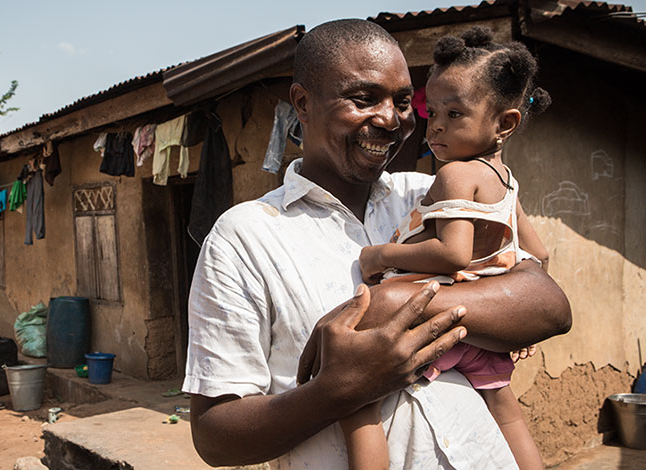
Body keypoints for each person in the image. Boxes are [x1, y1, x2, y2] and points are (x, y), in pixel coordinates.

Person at [182, 19, 571, 470]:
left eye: (404, 102)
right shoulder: (246, 237)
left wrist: (395, 301)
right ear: (303, 104)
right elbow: (215, 437)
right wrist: (336, 391)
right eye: (364, 98)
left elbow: (549, 305)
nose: (391, 119)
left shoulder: (433, 195)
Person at [344, 27, 551, 470]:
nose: (435, 125)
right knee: (507, 414)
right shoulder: (506, 183)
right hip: (483, 331)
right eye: (430, 110)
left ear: (505, 123)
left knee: (356, 398)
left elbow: (453, 254)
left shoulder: (456, 174)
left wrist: (380, 255)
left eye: (455, 114)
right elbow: (538, 255)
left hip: (439, 325)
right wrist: (511, 315)